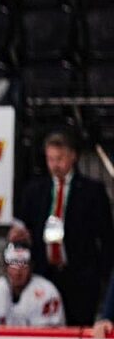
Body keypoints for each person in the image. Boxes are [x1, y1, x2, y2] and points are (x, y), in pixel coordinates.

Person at [15, 131, 114, 327]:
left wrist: (102, 275)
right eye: (50, 159)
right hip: (44, 275)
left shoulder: (92, 191)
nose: (55, 165)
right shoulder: (34, 191)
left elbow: (107, 236)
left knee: (79, 326)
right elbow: (22, 229)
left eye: (59, 158)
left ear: (72, 156)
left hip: (81, 277)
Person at [0, 242, 64, 327]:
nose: (18, 272)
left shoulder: (48, 292)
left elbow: (53, 334)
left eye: (23, 264)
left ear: (31, 266)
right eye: (13, 264)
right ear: (5, 267)